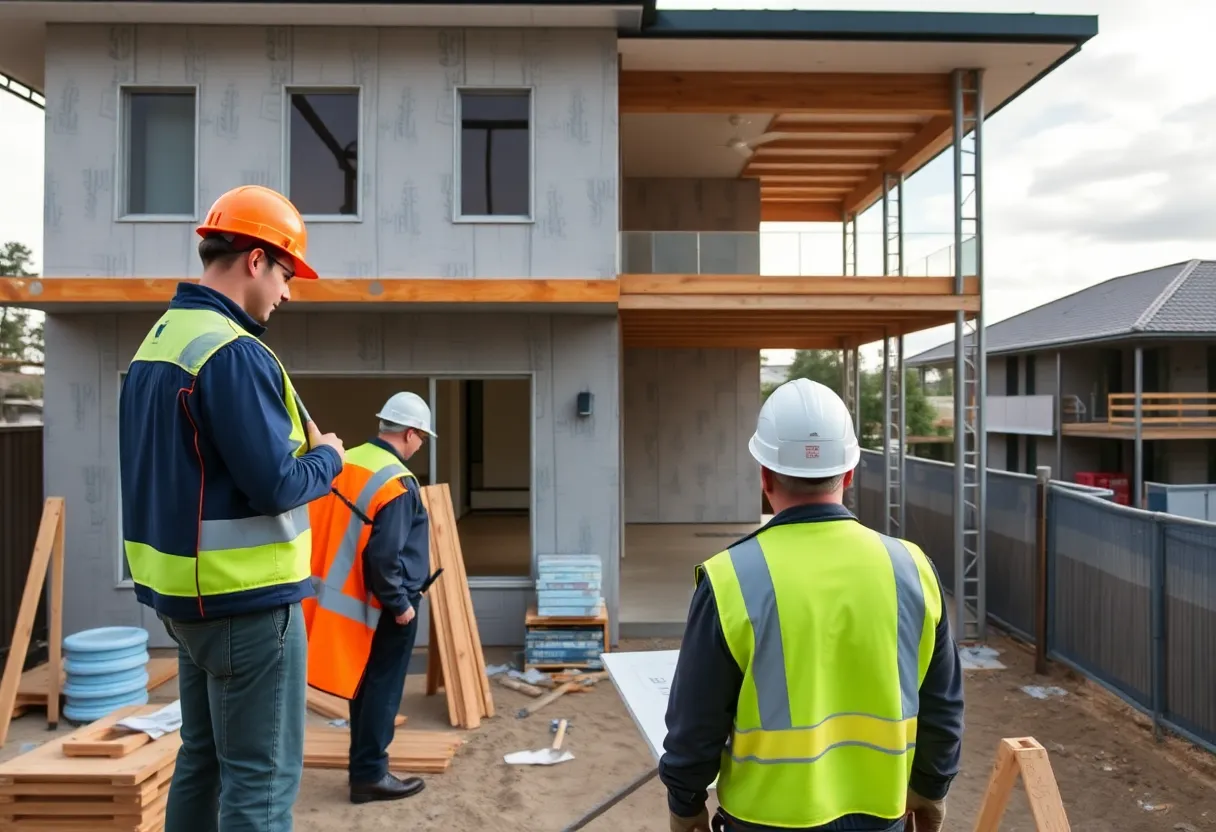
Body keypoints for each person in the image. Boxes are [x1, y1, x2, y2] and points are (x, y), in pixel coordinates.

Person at [118, 184, 346, 832]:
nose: (287, 292)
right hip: (249, 607)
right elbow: (276, 484)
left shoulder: (158, 343)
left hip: (183, 605)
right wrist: (328, 457)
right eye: (286, 273)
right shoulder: (235, 353)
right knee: (262, 785)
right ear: (254, 260)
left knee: (203, 760)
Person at [659, 377, 965, 832]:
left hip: (763, 821)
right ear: (849, 474)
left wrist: (685, 806)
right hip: (881, 816)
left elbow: (696, 723)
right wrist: (931, 788)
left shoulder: (730, 579)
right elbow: (942, 705)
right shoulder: (913, 569)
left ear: (764, 477)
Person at [303, 391, 437, 805]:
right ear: (411, 434)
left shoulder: (346, 459)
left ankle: (364, 770)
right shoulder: (397, 482)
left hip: (339, 598)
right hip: (382, 605)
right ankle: (369, 776)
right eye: (422, 438)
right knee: (381, 689)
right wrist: (401, 606)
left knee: (363, 686)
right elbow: (384, 555)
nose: (421, 444)